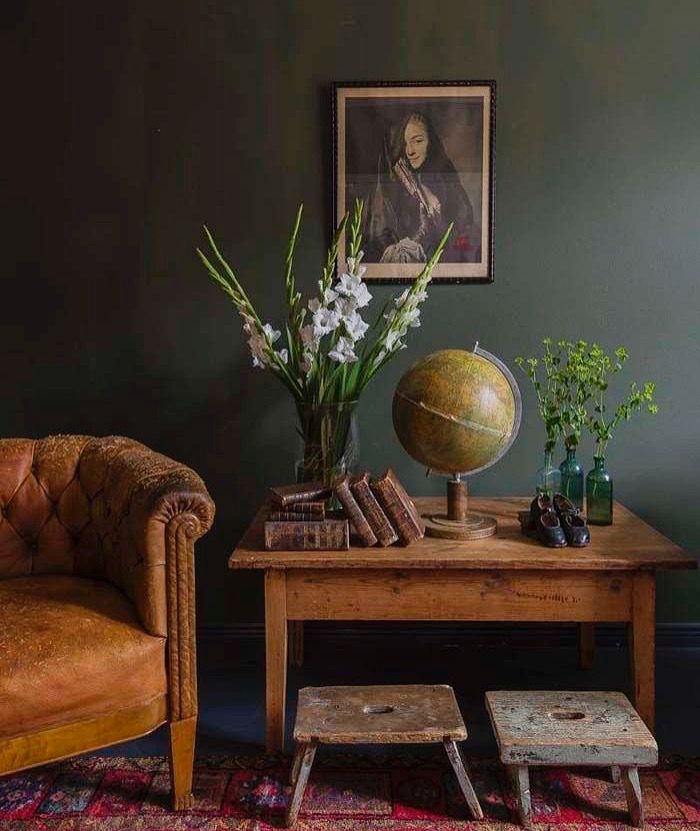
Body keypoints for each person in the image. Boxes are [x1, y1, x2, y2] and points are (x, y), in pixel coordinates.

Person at [365, 111, 480, 264]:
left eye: (418, 141)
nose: (410, 151)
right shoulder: (396, 183)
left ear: (431, 142)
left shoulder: (446, 183)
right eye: (405, 143)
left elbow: (463, 233)